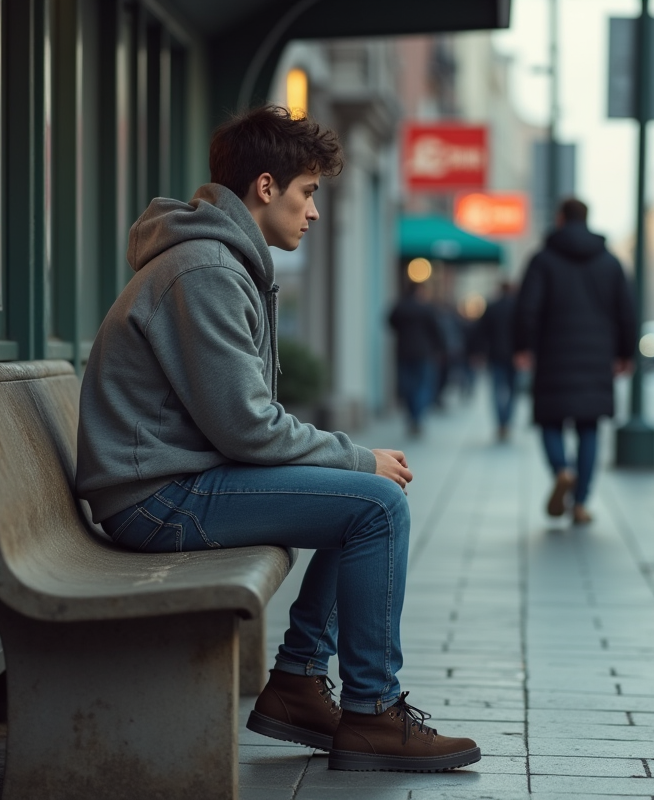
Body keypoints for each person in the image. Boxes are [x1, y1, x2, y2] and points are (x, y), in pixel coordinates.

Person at [76, 106, 480, 772]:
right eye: (308, 192)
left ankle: (297, 681)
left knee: (363, 500)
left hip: (170, 478)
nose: (314, 211)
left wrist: (354, 462)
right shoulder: (205, 269)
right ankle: (371, 713)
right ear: (266, 187)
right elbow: (245, 425)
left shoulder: (221, 259)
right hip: (155, 497)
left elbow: (241, 422)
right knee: (376, 505)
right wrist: (358, 455)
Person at [515, 198, 635, 525]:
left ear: (559, 218)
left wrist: (523, 346)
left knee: (550, 421)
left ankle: (561, 471)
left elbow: (527, 308)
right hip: (597, 358)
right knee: (589, 427)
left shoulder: (542, 260)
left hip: (553, 354)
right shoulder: (611, 262)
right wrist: (626, 353)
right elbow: (626, 311)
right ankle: (580, 502)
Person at [388, 283, 445, 437]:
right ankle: (417, 417)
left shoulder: (400, 307)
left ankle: (412, 415)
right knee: (422, 386)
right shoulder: (425, 308)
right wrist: (441, 349)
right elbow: (436, 330)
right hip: (423, 353)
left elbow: (390, 322)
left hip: (404, 352)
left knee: (408, 386)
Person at [474, 281, 518, 441]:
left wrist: (478, 352)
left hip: (495, 355)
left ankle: (501, 423)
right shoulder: (517, 306)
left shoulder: (493, 307)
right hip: (514, 355)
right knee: (512, 391)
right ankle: (506, 422)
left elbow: (481, 331)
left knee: (496, 391)